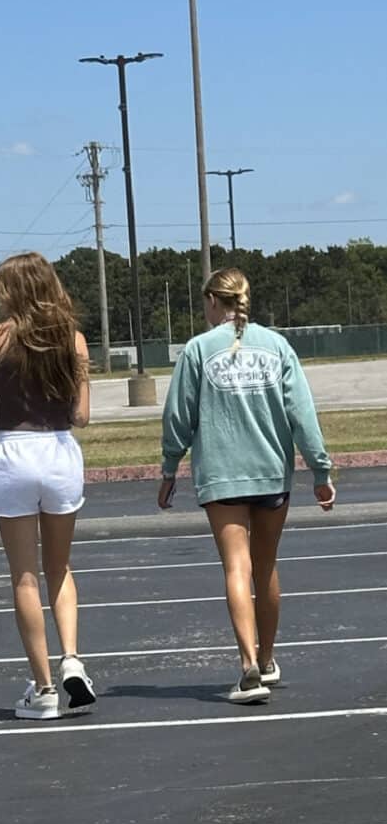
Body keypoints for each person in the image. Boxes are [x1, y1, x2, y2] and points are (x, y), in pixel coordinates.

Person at [158, 267, 335, 704]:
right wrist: (321, 472)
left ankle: (247, 667)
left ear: (214, 302)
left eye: (205, 303)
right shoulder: (278, 346)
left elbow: (178, 416)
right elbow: (302, 414)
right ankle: (268, 657)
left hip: (222, 476)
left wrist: (168, 469)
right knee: (265, 566)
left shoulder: (198, 350)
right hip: (271, 473)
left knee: (236, 567)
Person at [0, 251, 95, 720]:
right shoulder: (73, 340)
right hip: (58, 451)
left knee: (24, 576)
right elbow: (81, 416)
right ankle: (72, 657)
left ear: (12, 289)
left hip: (13, 452)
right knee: (61, 568)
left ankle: (44, 687)